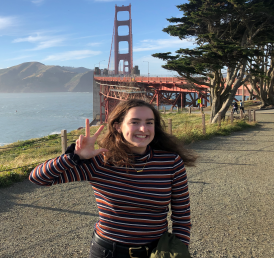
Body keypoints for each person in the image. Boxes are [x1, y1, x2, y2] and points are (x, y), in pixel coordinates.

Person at [29, 99, 197, 258]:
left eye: (149, 123)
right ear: (118, 127)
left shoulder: (170, 162)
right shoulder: (101, 162)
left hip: (157, 251)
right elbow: (39, 178)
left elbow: (182, 215)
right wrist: (74, 157)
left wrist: (179, 249)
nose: (143, 129)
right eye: (135, 122)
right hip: (108, 251)